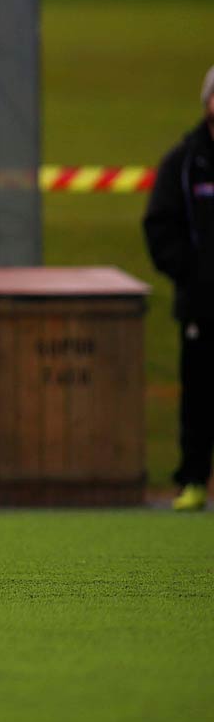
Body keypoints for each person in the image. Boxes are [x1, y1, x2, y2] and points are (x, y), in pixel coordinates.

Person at [143, 66, 214, 512]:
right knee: (199, 399)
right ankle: (193, 480)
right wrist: (193, 274)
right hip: (203, 305)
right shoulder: (186, 161)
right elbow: (159, 226)